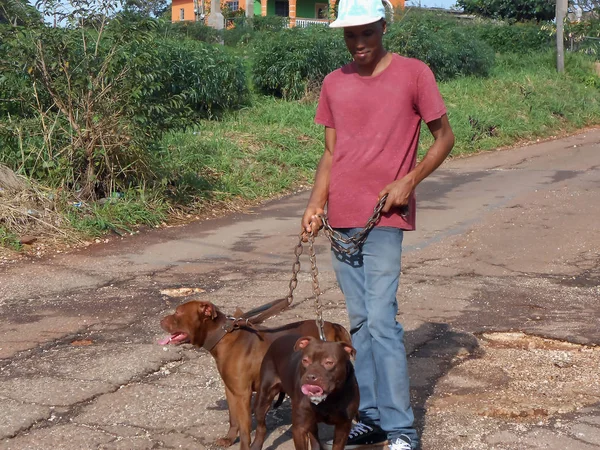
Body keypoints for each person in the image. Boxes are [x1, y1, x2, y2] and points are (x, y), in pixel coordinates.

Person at [301, 1, 455, 449]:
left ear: (383, 27)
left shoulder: (414, 74)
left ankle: (402, 428)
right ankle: (366, 414)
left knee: (383, 321)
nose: (359, 42)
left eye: (366, 32)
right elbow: (331, 153)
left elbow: (444, 137)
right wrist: (315, 205)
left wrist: (410, 179)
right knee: (362, 322)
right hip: (341, 218)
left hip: (385, 216)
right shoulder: (334, 82)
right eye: (350, 35)